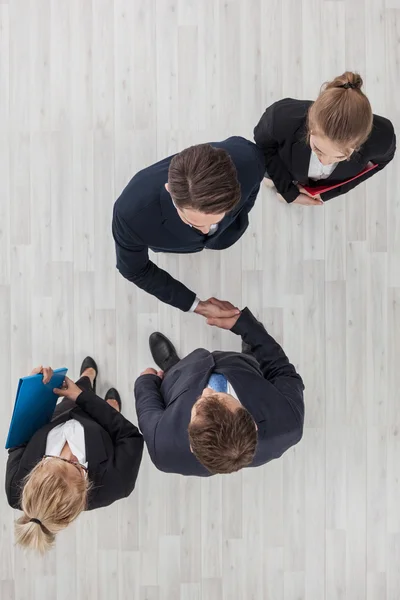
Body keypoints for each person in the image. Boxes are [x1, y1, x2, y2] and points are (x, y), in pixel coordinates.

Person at [134, 305, 305, 476]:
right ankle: (250, 354)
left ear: (192, 447)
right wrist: (248, 329)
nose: (207, 391)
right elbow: (281, 371)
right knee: (252, 360)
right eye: (220, 398)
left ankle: (173, 366)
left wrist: (147, 380)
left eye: (198, 405)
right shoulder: (289, 422)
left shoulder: (163, 449)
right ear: (252, 423)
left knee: (176, 375)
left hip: (180, 383)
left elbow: (147, 408)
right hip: (242, 369)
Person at [112, 137, 265, 314]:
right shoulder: (131, 216)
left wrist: (241, 214)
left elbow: (251, 191)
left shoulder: (250, 160)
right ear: (170, 190)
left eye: (215, 220)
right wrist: (197, 306)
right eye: (194, 222)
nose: (207, 231)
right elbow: (135, 270)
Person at [5, 358, 143, 553]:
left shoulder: (14, 489)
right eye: (78, 467)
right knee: (110, 408)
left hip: (61, 415)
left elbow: (19, 442)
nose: (70, 454)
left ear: (37, 468)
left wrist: (35, 392)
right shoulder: (119, 483)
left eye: (54, 458)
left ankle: (88, 376)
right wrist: (84, 398)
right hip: (103, 430)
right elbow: (130, 436)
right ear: (85, 491)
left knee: (82, 382)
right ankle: (112, 405)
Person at [253, 71, 396, 206]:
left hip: (318, 182)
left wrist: (327, 193)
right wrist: (288, 191)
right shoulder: (280, 117)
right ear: (310, 126)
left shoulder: (383, 138)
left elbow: (378, 164)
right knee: (269, 181)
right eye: (318, 149)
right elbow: (263, 146)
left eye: (340, 156)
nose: (325, 162)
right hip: (284, 164)